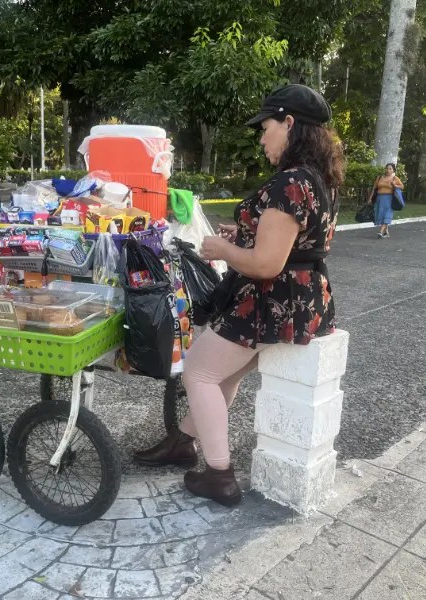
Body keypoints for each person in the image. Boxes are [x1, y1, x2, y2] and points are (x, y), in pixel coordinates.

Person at [133, 84, 343, 506]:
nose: (262, 138)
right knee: (222, 375)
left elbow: (267, 264)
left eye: (266, 128)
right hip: (298, 301)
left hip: (268, 300)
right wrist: (244, 233)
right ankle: (183, 442)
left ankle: (219, 473)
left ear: (289, 124)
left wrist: (223, 249)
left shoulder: (291, 183)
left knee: (199, 373)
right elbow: (294, 243)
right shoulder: (318, 180)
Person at [369, 163, 403, 238]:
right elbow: (374, 188)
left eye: (390, 169)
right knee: (381, 214)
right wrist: (370, 198)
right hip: (380, 199)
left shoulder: (395, 178)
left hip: (389, 198)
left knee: (387, 214)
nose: (388, 170)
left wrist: (395, 185)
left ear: (393, 170)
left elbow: (401, 186)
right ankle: (386, 233)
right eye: (387, 168)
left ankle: (381, 232)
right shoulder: (380, 177)